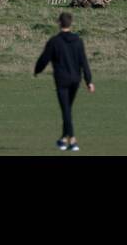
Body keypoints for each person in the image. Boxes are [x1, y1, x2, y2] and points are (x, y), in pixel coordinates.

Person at [34, 11, 94, 151]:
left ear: (59, 23)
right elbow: (83, 62)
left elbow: (44, 58)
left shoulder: (54, 41)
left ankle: (72, 141)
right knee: (67, 109)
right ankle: (62, 139)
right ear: (70, 23)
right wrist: (88, 81)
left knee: (66, 110)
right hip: (75, 80)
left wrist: (37, 70)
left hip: (62, 81)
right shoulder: (78, 41)